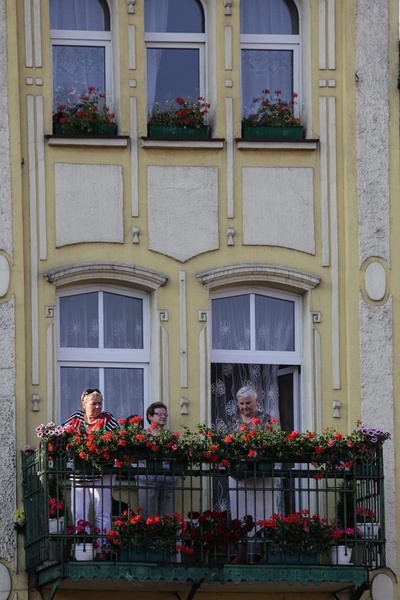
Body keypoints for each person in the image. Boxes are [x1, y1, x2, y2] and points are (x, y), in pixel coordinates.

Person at [228, 385, 277, 563]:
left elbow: (271, 443)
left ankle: (264, 555)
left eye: (248, 403)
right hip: (239, 477)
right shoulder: (233, 421)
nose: (244, 407)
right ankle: (241, 553)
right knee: (239, 515)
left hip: (261, 477)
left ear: (256, 402)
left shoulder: (266, 420)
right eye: (241, 403)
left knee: (265, 514)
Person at [64, 388, 118, 541]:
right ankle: (83, 549)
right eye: (94, 403)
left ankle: (102, 549)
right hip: (79, 472)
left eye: (100, 403)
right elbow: (60, 434)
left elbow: (115, 441)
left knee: (102, 513)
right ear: (84, 404)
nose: (98, 407)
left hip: (103, 473)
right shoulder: (76, 418)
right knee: (79, 512)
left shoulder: (107, 419)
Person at [136, 402, 177, 518]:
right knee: (148, 517)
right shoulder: (142, 437)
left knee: (167, 517)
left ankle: (166, 536)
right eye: (159, 414)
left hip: (168, 481)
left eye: (165, 415)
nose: (163, 417)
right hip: (147, 480)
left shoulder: (172, 436)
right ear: (150, 417)